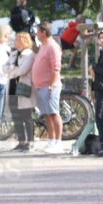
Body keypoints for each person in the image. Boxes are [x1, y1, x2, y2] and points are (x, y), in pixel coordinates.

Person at [33, 22, 65, 154]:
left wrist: (52, 84)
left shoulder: (52, 46)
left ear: (44, 32)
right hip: (41, 86)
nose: (36, 33)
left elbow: (56, 67)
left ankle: (58, 142)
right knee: (47, 114)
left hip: (50, 86)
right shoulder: (43, 46)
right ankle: (51, 140)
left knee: (53, 113)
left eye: (38, 31)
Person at [5, 31, 36, 152]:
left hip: (24, 87)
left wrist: (12, 70)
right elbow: (4, 67)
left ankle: (30, 142)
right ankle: (21, 141)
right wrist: (13, 70)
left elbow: (23, 70)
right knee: (16, 116)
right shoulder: (13, 54)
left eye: (17, 39)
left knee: (26, 116)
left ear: (24, 41)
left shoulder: (29, 55)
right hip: (12, 87)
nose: (15, 41)